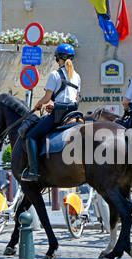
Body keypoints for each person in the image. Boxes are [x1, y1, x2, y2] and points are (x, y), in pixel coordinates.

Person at [21, 43, 81, 182]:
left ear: (57, 59)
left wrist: (38, 104)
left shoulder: (55, 74)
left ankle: (33, 171)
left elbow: (47, 98)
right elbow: (75, 98)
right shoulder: (77, 76)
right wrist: (55, 106)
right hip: (73, 113)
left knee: (31, 136)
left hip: (59, 116)